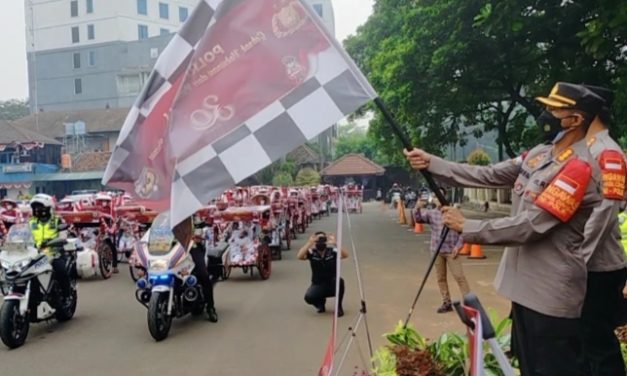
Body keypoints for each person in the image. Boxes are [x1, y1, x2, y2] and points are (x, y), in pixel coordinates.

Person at [404, 82, 606, 376]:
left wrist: (468, 226)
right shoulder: (539, 154)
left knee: (553, 368)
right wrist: (432, 162)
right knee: (527, 365)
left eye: (554, 110)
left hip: (550, 293)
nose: (545, 114)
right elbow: (487, 174)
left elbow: (532, 225)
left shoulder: (580, 167)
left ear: (575, 120)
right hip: (522, 288)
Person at [576, 84, 627, 375]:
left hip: (598, 267)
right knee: (585, 342)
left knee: (599, 345)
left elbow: (606, 212)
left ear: (587, 115)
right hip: (589, 263)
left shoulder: (608, 153)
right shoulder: (589, 150)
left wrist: (577, 258)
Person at [415, 187, 470, 313]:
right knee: (441, 278)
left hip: (451, 251)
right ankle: (446, 302)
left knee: (459, 276)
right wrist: (417, 208)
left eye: (438, 196)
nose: (436, 199)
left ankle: (469, 302)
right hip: (437, 250)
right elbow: (418, 219)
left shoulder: (453, 213)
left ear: (444, 197)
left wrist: (458, 247)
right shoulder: (431, 213)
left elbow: (463, 231)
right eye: (434, 196)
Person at [29, 193, 72, 297]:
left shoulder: (57, 220)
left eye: (40, 207)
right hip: (35, 254)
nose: (37, 209)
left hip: (54, 252)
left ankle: (67, 295)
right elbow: (22, 234)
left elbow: (63, 235)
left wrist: (53, 241)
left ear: (49, 207)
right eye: (35, 207)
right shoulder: (31, 222)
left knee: (60, 270)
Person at [297, 231, 348, 317]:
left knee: (340, 281)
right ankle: (320, 304)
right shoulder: (311, 253)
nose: (320, 242)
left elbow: (345, 255)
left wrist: (336, 243)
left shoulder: (332, 251)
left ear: (326, 241)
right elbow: (299, 256)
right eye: (318, 240)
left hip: (332, 283)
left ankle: (338, 306)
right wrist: (310, 242)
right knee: (308, 297)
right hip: (318, 283)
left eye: (322, 239)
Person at [191, 217, 218, 322]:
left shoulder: (193, 218)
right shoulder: (169, 218)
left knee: (204, 275)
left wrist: (198, 235)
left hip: (193, 248)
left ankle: (210, 308)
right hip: (175, 250)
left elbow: (202, 229)